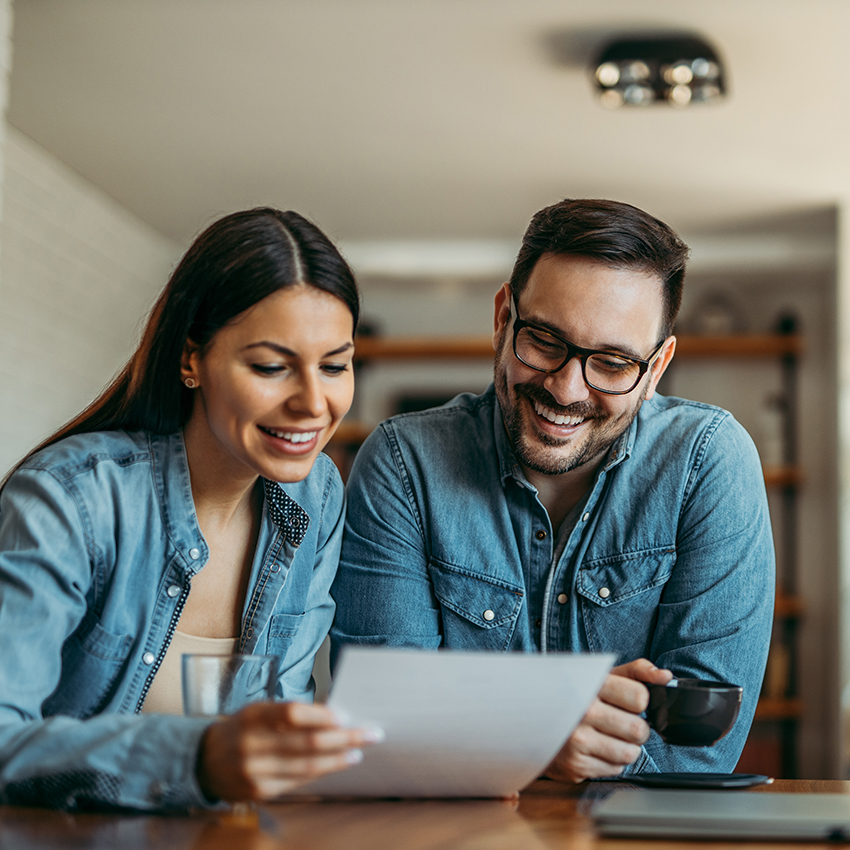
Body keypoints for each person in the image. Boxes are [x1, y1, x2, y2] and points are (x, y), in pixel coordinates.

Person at [331, 198, 775, 781]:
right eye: (543, 340)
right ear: (502, 319)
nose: (567, 389)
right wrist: (542, 738)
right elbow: (380, 724)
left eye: (613, 363)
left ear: (657, 366)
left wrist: (501, 739)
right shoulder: (403, 463)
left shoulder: (708, 460)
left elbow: (697, 747)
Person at [0, 207, 380, 811]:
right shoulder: (69, 497)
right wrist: (196, 758)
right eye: (271, 367)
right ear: (190, 359)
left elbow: (282, 724)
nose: (314, 402)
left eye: (335, 365)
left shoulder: (317, 495)